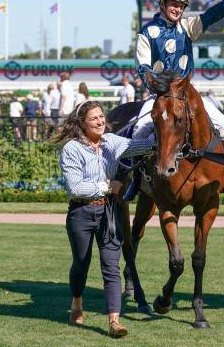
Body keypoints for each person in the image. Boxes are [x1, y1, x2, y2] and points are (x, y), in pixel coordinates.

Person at [130, 0, 224, 197]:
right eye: (174, 4)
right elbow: (143, 67)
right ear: (162, 4)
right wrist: (159, 87)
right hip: (160, 95)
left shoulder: (187, 26)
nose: (178, 9)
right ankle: (136, 179)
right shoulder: (147, 32)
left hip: (187, 95)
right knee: (139, 131)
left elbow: (211, 16)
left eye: (182, 5)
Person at [53, 100, 156, 338]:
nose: (100, 122)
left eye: (101, 117)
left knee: (111, 267)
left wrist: (161, 126)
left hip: (109, 213)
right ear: (82, 123)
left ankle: (114, 321)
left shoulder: (112, 142)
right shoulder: (71, 148)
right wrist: (109, 186)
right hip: (81, 213)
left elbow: (141, 146)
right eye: (94, 119)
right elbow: (75, 187)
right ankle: (77, 302)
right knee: (81, 264)